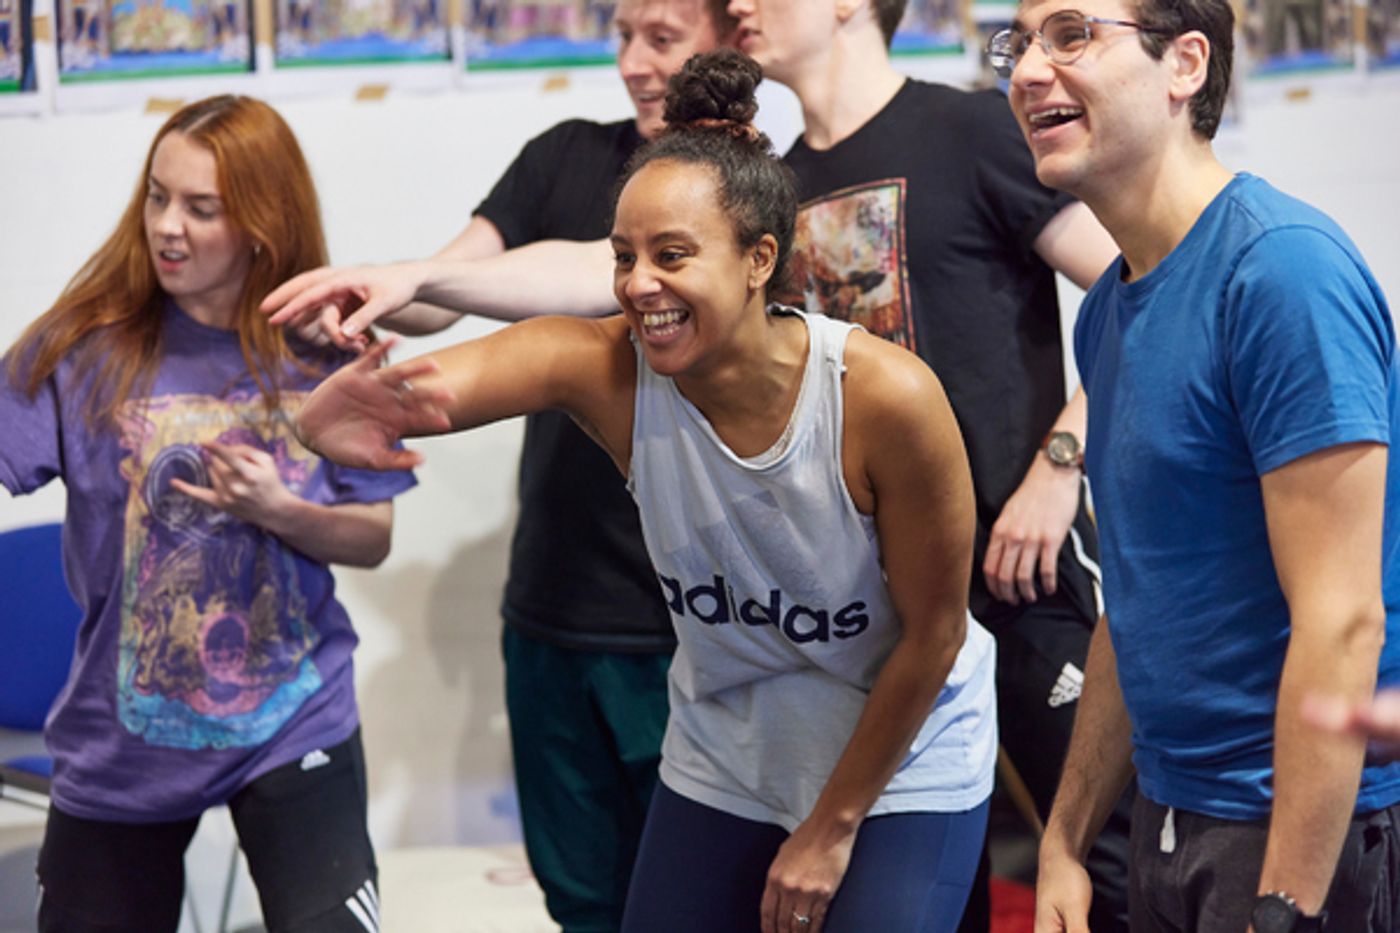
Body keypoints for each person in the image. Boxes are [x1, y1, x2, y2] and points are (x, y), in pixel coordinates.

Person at [294, 50, 997, 933]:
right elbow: (447, 385)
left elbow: (935, 635)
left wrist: (830, 827)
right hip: (732, 752)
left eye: (672, 255)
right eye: (624, 257)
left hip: (899, 758)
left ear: (758, 260)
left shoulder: (883, 398)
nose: (638, 285)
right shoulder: (609, 371)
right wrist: (342, 411)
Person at [259, 4, 733, 930]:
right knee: (580, 896)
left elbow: (580, 273)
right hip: (554, 604)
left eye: (664, 38)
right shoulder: (564, 153)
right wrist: (369, 299)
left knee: (693, 897)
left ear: (730, 36)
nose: (636, 63)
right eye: (623, 35)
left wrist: (416, 279)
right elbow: (448, 289)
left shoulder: (743, 194)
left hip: (686, 617)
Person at [991, 0, 1400, 928]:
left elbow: (1343, 620)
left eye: (1070, 34)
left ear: (1184, 64)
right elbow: (1135, 604)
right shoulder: (1108, 310)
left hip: (1303, 828)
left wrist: (1286, 903)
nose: (1026, 70)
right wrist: (1065, 839)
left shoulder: (1281, 273)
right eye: (1019, 44)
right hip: (1171, 816)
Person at [722, 0, 1129, 927]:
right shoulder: (775, 188)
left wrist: (1060, 463)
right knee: (940, 878)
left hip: (1019, 570)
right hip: (883, 609)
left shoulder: (969, 128)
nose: (738, 6)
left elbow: (1138, 286)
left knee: (1103, 854)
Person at [0, 95, 416, 933]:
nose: (167, 226)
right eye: (158, 196)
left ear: (262, 224)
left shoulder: (323, 351)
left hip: (291, 721)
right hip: (124, 741)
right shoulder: (81, 347)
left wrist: (279, 508)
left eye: (201, 207)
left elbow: (372, 539)